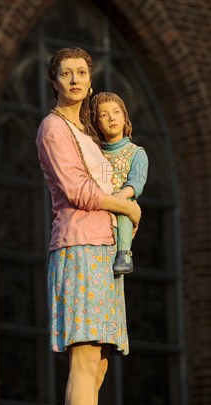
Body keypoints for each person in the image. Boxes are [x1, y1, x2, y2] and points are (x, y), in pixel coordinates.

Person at [36, 47, 141, 405]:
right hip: (77, 246)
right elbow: (78, 191)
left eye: (81, 72)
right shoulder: (53, 128)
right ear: (55, 82)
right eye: (65, 73)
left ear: (91, 81)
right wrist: (126, 207)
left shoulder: (87, 133)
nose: (74, 79)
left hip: (102, 249)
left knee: (96, 364)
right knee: (82, 355)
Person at [91, 92, 148, 275]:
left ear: (125, 117)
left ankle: (124, 254)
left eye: (116, 112)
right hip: (99, 203)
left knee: (125, 210)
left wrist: (121, 196)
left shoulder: (136, 153)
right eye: (104, 115)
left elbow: (136, 181)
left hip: (123, 198)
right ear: (97, 123)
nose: (112, 118)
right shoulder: (95, 152)